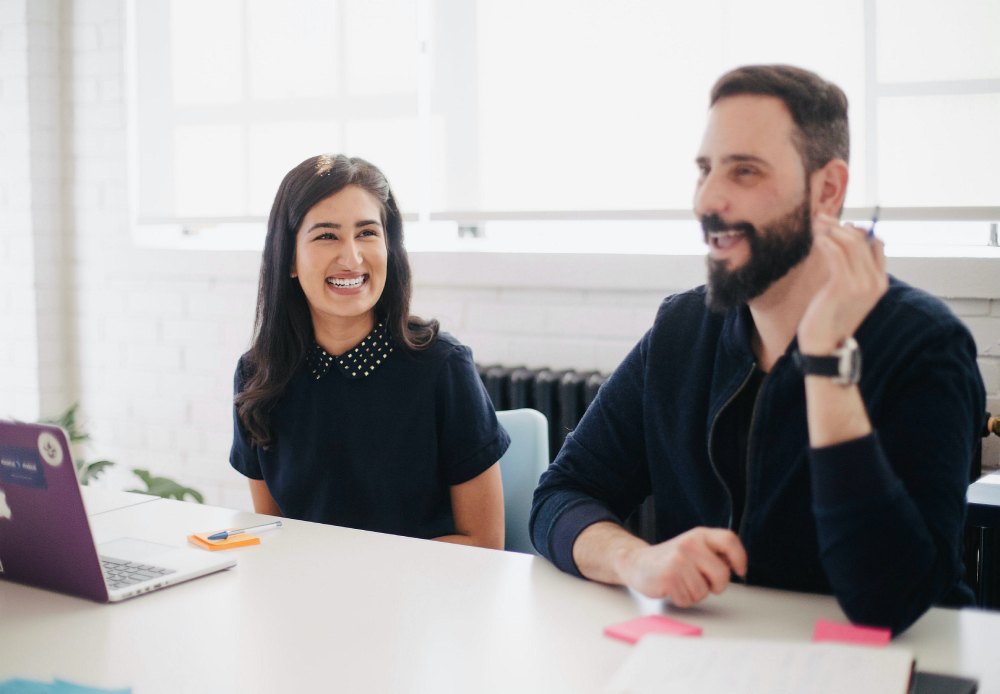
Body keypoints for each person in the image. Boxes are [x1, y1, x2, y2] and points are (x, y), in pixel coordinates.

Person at [529, 65, 984, 634]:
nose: (708, 199)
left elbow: (889, 600)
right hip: (712, 654)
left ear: (827, 190)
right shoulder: (683, 328)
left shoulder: (925, 346)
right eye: (705, 170)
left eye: (744, 171)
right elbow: (560, 497)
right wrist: (636, 558)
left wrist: (826, 363)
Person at [231, 154, 509, 549]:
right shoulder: (258, 375)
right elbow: (276, 533)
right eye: (327, 236)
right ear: (289, 258)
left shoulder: (441, 366)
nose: (351, 258)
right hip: (308, 596)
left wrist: (357, 576)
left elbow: (484, 543)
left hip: (427, 598)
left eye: (367, 233)